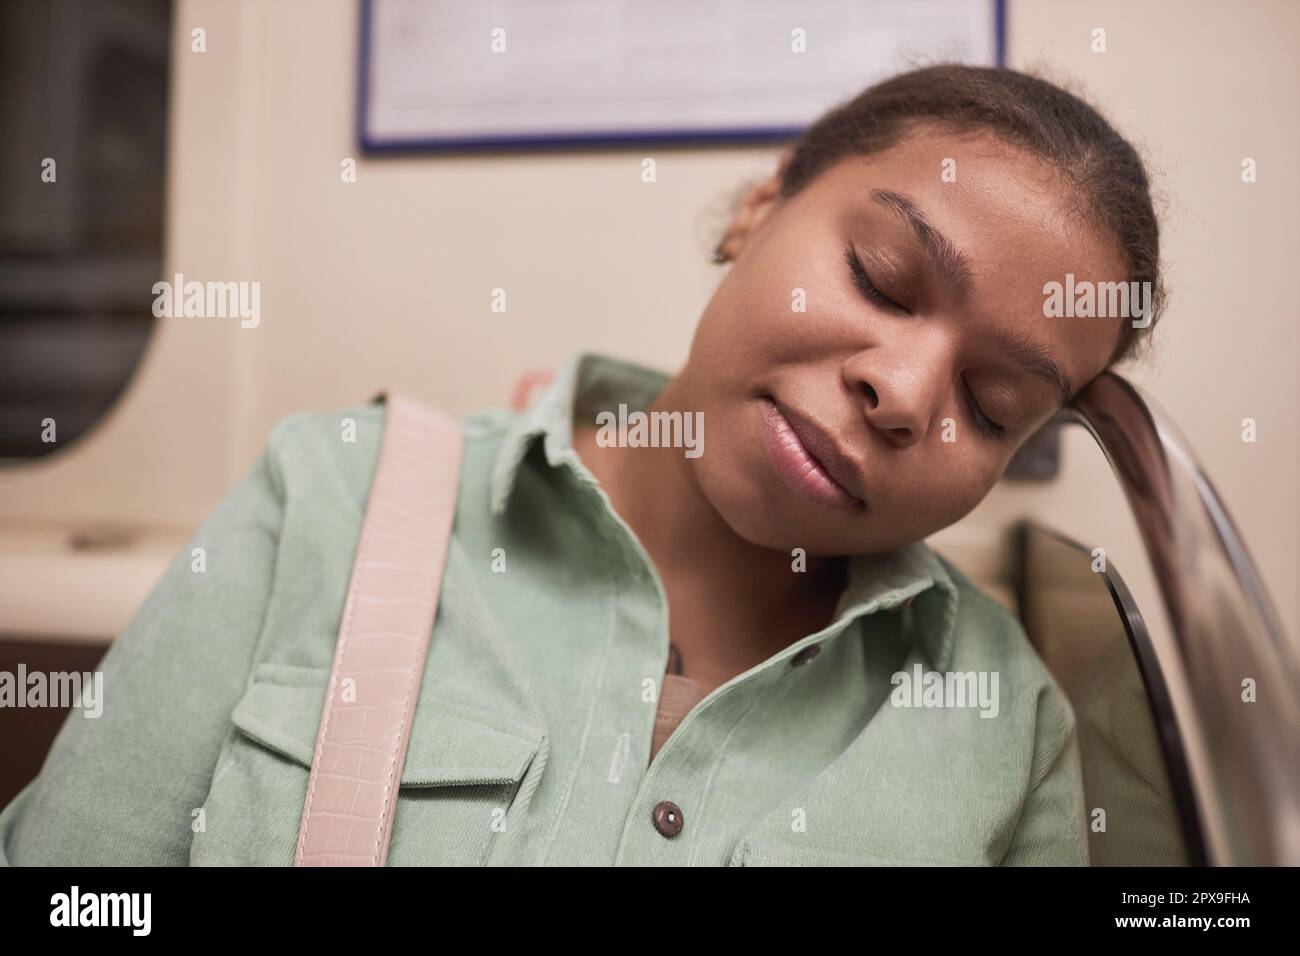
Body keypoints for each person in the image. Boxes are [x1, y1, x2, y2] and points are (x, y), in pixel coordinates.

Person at [0, 63, 1165, 866]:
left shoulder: (1006, 716)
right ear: (758, 207)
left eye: (991, 400)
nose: (903, 393)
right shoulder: (335, 493)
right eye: (878, 277)